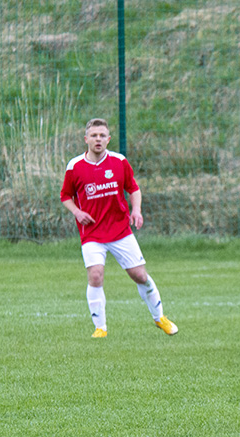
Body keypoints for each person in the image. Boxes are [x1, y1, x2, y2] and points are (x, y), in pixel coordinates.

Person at [60, 118, 178, 338]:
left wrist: (137, 210)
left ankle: (160, 317)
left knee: (140, 275)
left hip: (120, 231)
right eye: (94, 135)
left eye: (102, 135)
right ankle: (100, 328)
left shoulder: (119, 161)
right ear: (86, 139)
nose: (98, 139)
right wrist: (76, 212)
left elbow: (133, 188)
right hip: (92, 233)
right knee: (95, 276)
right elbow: (65, 195)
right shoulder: (75, 166)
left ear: (108, 139)